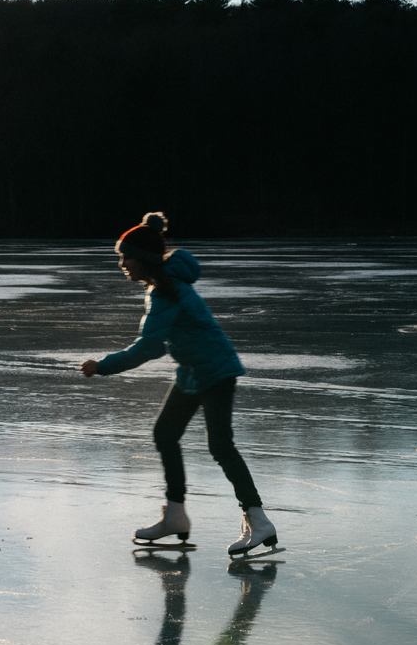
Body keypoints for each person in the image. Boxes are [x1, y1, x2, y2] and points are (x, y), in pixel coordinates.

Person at [79, 213, 279, 557]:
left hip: (215, 371)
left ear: (144, 259)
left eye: (126, 256)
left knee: (220, 445)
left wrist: (102, 366)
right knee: (165, 433)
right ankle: (175, 516)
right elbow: (157, 344)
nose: (122, 263)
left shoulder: (166, 293)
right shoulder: (164, 286)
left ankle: (258, 520)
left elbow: (148, 347)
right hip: (193, 373)